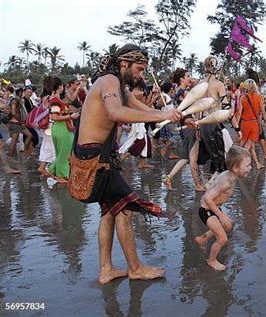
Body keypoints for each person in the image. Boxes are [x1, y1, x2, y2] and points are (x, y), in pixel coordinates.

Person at [72, 44, 182, 285]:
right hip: (95, 160)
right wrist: (162, 116)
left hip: (98, 158)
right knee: (126, 209)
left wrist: (179, 117)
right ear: (124, 64)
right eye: (140, 69)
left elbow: (146, 110)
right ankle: (135, 268)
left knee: (109, 213)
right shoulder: (109, 80)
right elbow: (116, 113)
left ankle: (106, 270)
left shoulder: (120, 86)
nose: (141, 75)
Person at [194, 145, 252, 271]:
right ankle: (212, 260)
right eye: (247, 165)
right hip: (206, 210)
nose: (250, 168)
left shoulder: (229, 174)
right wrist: (221, 215)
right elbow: (208, 199)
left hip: (213, 208)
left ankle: (202, 239)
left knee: (227, 226)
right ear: (235, 168)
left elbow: (216, 177)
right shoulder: (227, 182)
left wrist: (210, 182)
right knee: (222, 238)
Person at [46, 77, 79, 183]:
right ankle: (61, 175)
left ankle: (53, 170)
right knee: (65, 154)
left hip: (60, 128)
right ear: (60, 86)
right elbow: (54, 117)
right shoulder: (55, 100)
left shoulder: (55, 99)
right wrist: (71, 117)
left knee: (62, 153)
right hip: (62, 129)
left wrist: (68, 113)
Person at [236, 78, 266, 169]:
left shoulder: (243, 97)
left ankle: (257, 163)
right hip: (254, 124)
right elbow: (263, 112)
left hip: (244, 123)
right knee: (248, 145)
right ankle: (238, 163)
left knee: (249, 145)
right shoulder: (258, 97)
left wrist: (237, 127)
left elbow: (238, 113)